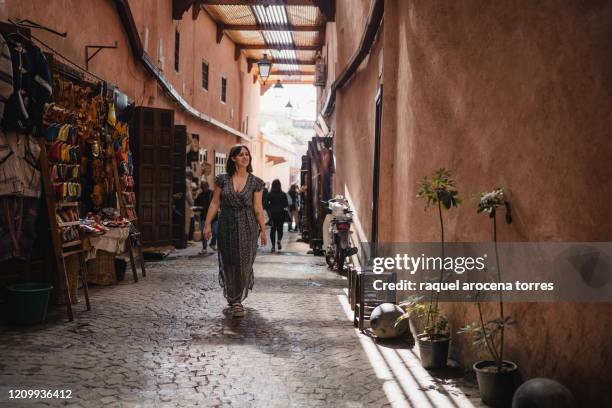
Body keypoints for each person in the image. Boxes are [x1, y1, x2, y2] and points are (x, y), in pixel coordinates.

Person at [204, 144, 266, 318]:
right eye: (240, 155)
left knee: (244, 261)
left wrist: (263, 229)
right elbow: (215, 203)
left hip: (248, 225)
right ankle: (233, 297)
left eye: (247, 154)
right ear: (233, 159)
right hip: (227, 224)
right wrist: (207, 224)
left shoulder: (256, 182)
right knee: (229, 260)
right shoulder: (222, 180)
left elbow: (258, 207)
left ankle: (237, 299)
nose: (245, 157)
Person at [266, 179, 288, 253]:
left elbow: (265, 204)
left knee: (273, 230)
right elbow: (286, 204)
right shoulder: (283, 194)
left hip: (272, 214)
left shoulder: (270, 194)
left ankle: (272, 246)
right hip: (281, 213)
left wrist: (270, 206)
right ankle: (279, 240)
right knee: (280, 229)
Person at [195, 180, 217, 254]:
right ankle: (204, 248)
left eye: (205, 187)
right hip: (204, 217)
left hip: (214, 217)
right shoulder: (200, 195)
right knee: (204, 233)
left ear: (208, 186)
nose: (204, 188)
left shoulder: (213, 193)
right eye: (203, 187)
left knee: (215, 232)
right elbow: (196, 205)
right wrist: (199, 208)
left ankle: (212, 243)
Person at [185, 172, 195, 243]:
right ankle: (189, 238)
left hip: (186, 205)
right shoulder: (187, 182)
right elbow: (188, 194)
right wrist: (192, 203)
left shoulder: (186, 181)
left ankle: (188, 238)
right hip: (188, 205)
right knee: (190, 221)